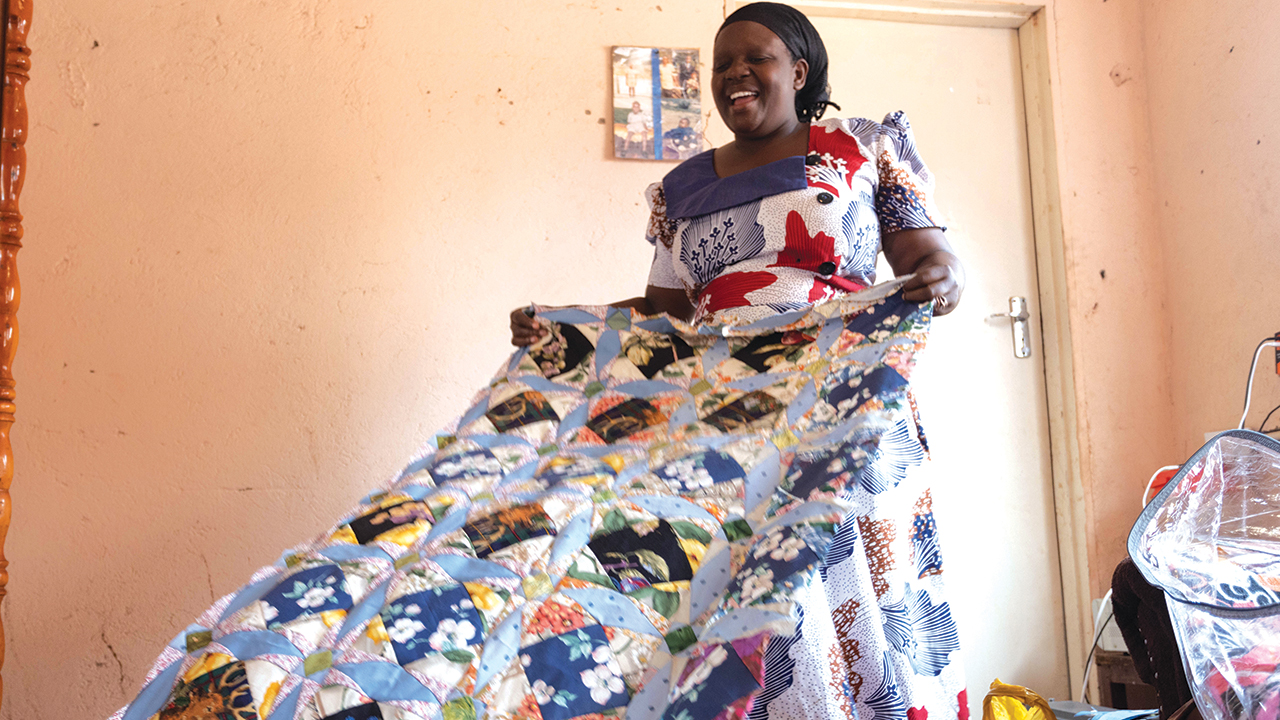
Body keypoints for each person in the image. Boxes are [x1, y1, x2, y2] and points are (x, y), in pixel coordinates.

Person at [513, 3, 968, 719]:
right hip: (731, 419)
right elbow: (664, 312)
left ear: (799, 70)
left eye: (753, 57)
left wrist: (945, 278)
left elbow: (929, 257)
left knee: (853, 587)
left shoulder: (861, 146)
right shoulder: (683, 188)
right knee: (752, 595)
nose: (734, 75)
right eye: (722, 65)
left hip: (845, 406)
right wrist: (564, 329)